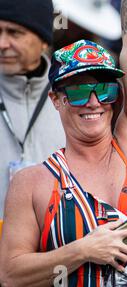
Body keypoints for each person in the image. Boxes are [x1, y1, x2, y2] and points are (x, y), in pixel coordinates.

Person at [0, 0, 127, 287]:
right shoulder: (32, 183)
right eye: (78, 92)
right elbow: (12, 279)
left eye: (104, 89)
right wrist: (83, 250)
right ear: (56, 99)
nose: (93, 102)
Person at [0, 0, 65, 220]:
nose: (2, 43)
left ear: (44, 41)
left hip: (61, 249)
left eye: (14, 33)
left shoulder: (73, 96)